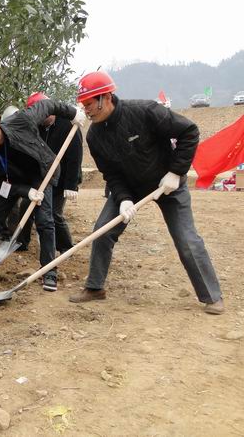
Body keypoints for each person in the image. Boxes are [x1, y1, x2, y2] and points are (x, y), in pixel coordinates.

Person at [69, 71, 224, 315]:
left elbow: (189, 132)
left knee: (186, 240)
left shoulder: (145, 111)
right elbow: (112, 174)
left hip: (168, 184)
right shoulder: (95, 136)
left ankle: (211, 296)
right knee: (102, 231)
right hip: (130, 188)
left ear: (105, 97)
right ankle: (95, 287)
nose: (86, 110)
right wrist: (123, 198)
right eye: (83, 105)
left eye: (89, 104)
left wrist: (176, 172)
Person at [0, 100, 86, 285]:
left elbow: (48, 105)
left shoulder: (23, 120)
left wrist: (72, 113)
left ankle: (49, 270)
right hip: (12, 183)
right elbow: (0, 184)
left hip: (41, 172)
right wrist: (26, 191)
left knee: (45, 220)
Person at [17, 92, 84, 257]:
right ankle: (21, 242)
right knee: (26, 205)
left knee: (54, 213)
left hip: (63, 178)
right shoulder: (37, 127)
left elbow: (75, 156)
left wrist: (71, 184)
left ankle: (66, 247)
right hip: (43, 177)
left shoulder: (68, 125)